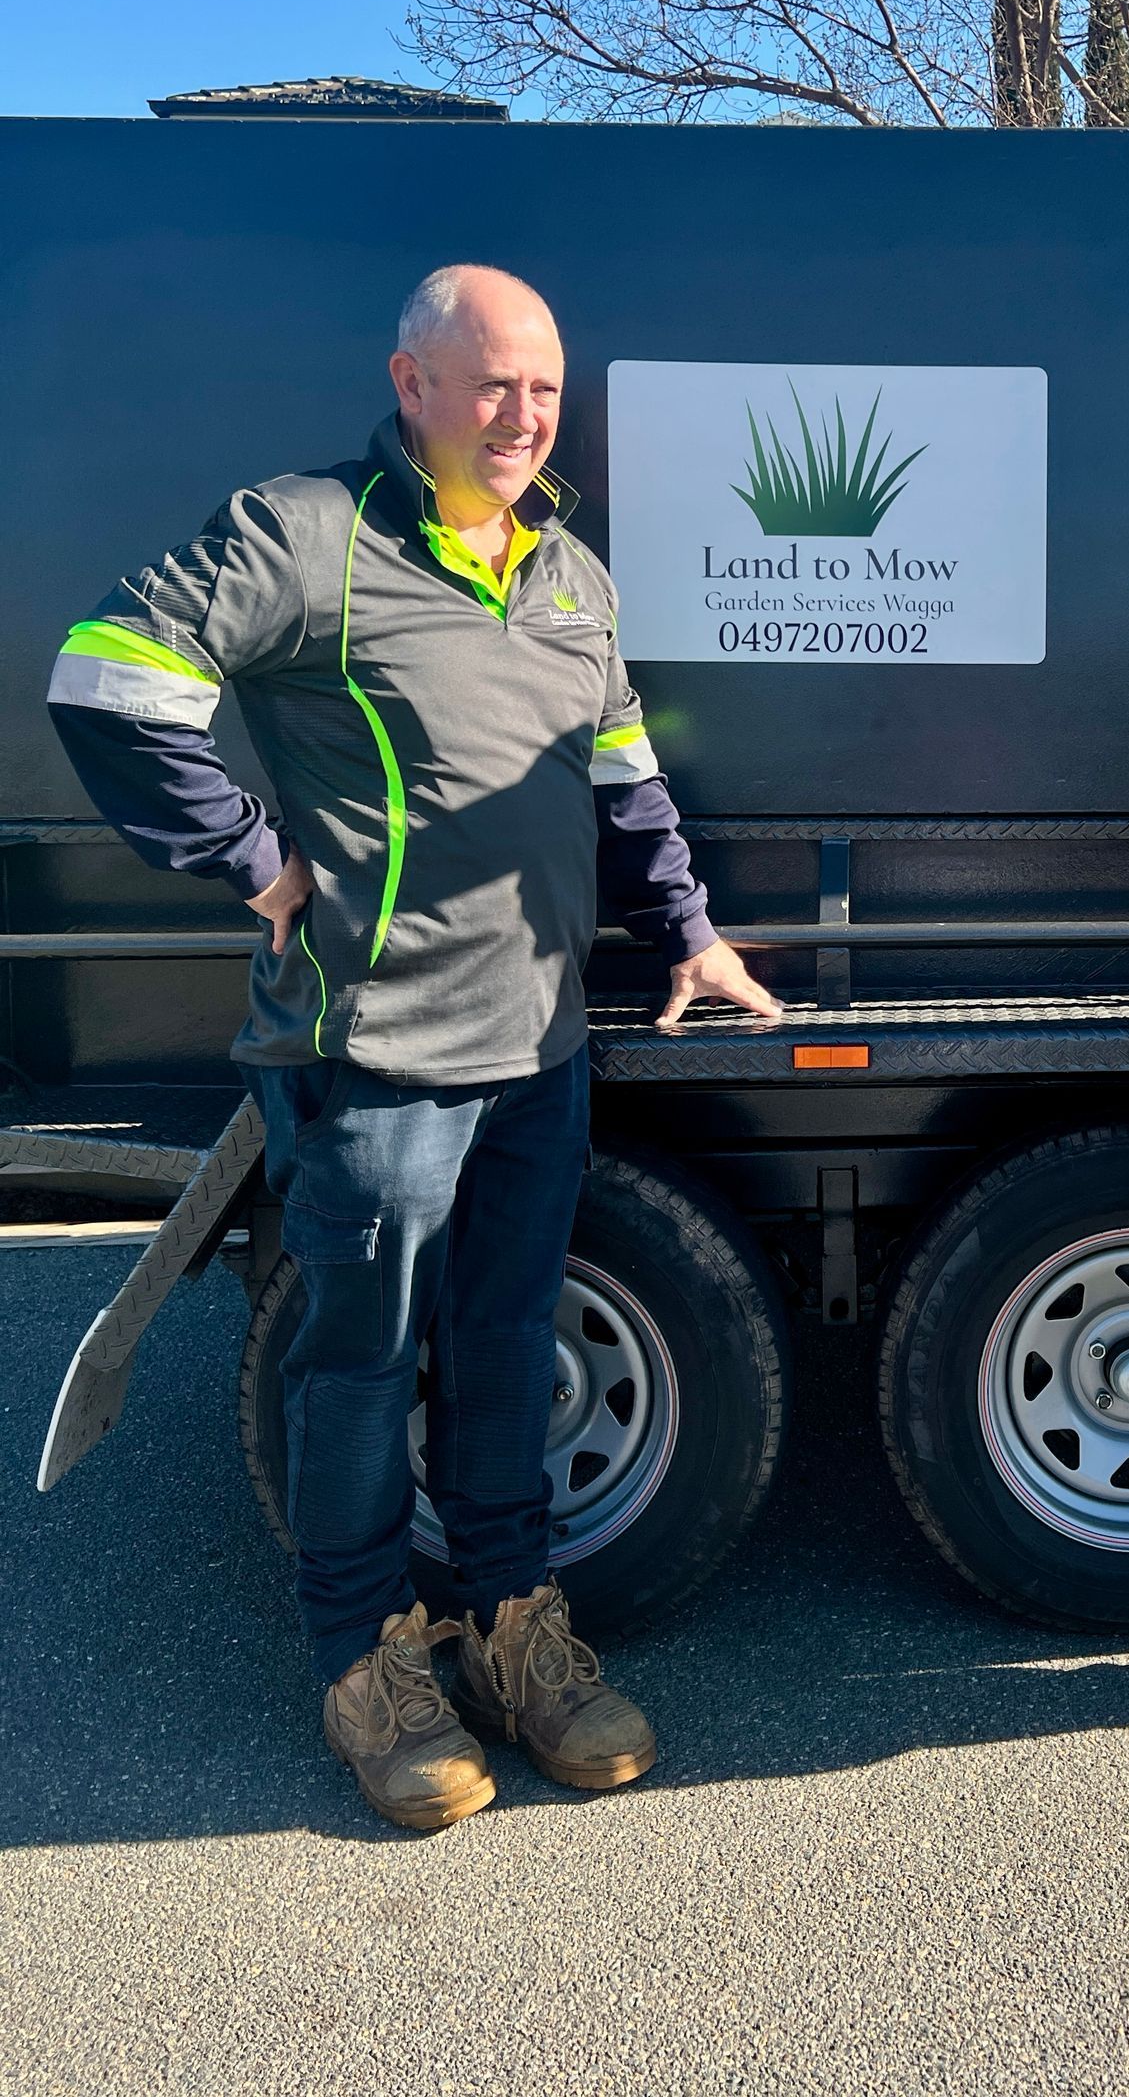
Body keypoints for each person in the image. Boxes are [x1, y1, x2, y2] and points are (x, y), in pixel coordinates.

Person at [48, 263, 780, 1829]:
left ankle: (518, 1634)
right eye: (494, 382)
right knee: (361, 1367)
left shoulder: (571, 573)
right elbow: (107, 677)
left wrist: (692, 934)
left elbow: (626, 781)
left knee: (509, 1339)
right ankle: (366, 1665)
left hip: (538, 1038)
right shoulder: (309, 536)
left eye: (544, 388)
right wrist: (253, 859)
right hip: (373, 1048)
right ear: (413, 385)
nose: (524, 414)